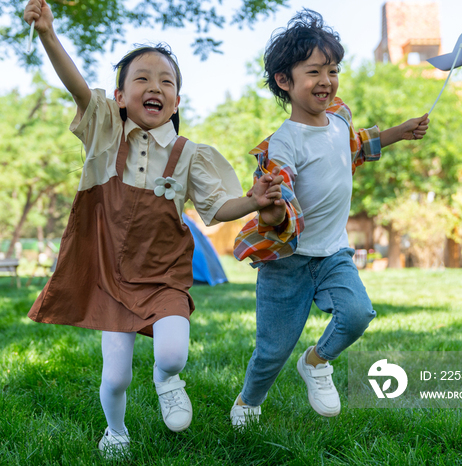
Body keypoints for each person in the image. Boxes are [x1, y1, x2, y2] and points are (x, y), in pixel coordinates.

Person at [23, 0, 286, 458]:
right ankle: (116, 432)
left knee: (171, 354)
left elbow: (216, 206)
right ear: (121, 96)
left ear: (177, 101)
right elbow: (79, 89)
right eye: (141, 78)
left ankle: (167, 381)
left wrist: (254, 200)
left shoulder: (188, 154)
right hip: (110, 275)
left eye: (166, 81)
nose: (155, 86)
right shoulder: (105, 133)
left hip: (163, 273)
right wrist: (48, 33)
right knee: (116, 376)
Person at [230, 9, 430, 426]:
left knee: (357, 314)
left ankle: (317, 361)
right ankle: (248, 401)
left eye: (333, 70)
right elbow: (279, 186)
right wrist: (268, 202)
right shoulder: (285, 141)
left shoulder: (339, 122)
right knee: (271, 349)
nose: (326, 81)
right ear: (285, 81)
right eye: (314, 72)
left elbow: (359, 145)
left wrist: (402, 130)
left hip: (334, 252)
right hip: (288, 260)